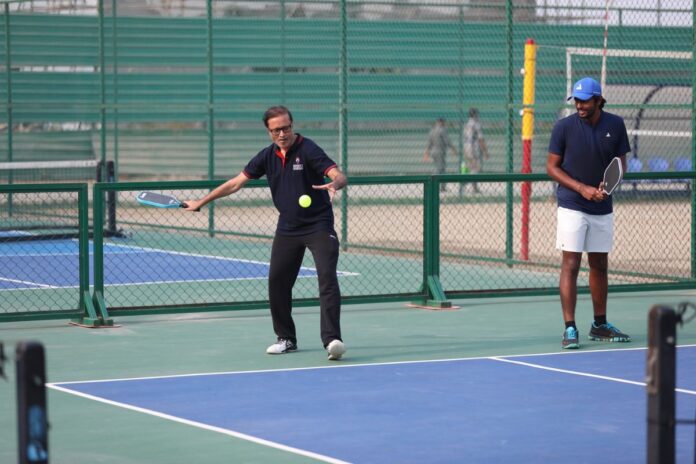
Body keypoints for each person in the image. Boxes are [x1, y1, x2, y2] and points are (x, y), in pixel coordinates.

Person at [183, 106, 348, 360]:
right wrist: (201, 202)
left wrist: (335, 181)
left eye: (286, 127)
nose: (282, 133)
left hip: (318, 225)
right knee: (277, 283)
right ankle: (286, 339)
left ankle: (332, 340)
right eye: (276, 130)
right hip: (288, 229)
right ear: (269, 131)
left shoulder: (308, 149)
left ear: (292, 125)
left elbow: (338, 174)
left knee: (327, 277)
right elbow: (235, 183)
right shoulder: (267, 156)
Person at [546, 77, 632, 349]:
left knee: (599, 264)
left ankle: (600, 324)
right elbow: (552, 167)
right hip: (572, 204)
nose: (580, 106)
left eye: (585, 101)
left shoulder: (616, 125)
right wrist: (582, 188)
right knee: (571, 264)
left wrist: (607, 188)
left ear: (598, 100)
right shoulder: (563, 127)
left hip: (602, 205)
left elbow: (621, 163)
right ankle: (570, 328)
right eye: (577, 101)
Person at [423, 118, 456, 191]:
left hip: (433, 152)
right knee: (440, 169)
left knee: (440, 168)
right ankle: (438, 186)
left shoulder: (432, 130)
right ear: (441, 122)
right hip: (440, 151)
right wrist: (453, 149)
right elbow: (447, 141)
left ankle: (441, 186)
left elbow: (429, 144)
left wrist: (426, 153)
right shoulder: (442, 130)